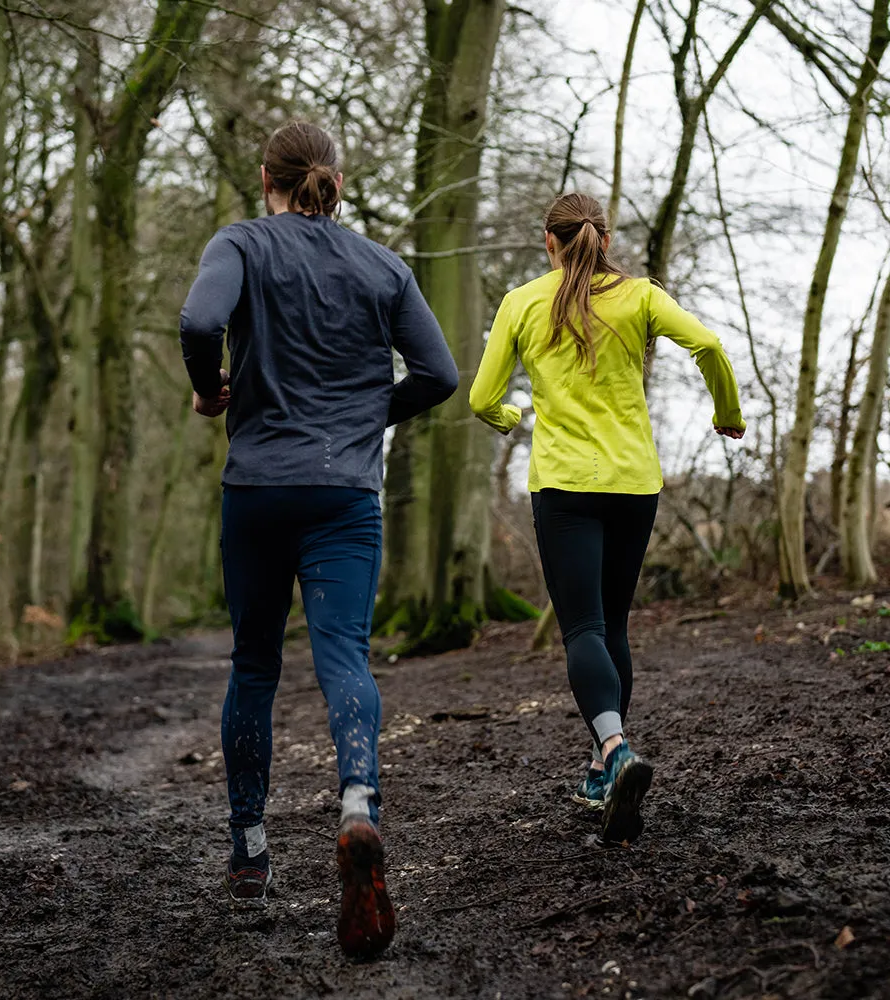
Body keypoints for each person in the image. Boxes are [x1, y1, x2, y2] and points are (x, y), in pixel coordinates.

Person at [179, 121, 458, 958]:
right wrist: (368, 416)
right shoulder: (383, 265)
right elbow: (441, 374)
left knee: (255, 663)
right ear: (336, 181)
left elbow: (199, 321)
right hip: (345, 493)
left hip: (258, 486)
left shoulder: (241, 243)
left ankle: (250, 855)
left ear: (265, 175)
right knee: (344, 654)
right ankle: (357, 806)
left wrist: (210, 392)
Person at [469, 193, 745, 845]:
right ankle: (601, 769)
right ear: (605, 240)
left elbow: (483, 396)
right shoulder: (641, 296)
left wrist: (510, 420)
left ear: (549, 242)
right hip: (633, 482)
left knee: (584, 627)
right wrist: (726, 412)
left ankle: (617, 750)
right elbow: (706, 342)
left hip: (565, 484)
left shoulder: (521, 303)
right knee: (613, 623)